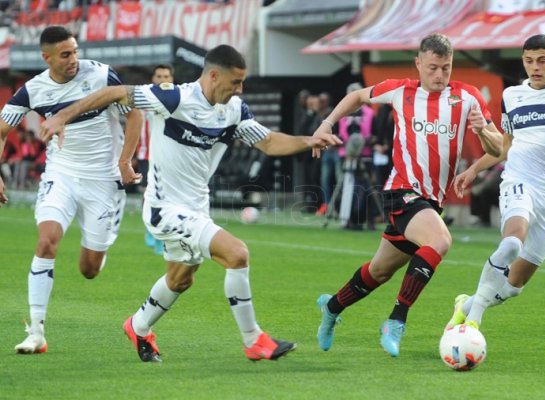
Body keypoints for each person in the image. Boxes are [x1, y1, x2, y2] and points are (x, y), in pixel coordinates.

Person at [40, 44, 341, 362]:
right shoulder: (174, 98)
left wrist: (308, 140)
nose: (239, 89)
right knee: (237, 254)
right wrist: (62, 115)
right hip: (164, 208)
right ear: (213, 75)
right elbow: (115, 92)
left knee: (180, 279)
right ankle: (254, 340)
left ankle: (138, 326)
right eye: (235, 82)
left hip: (197, 207)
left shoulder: (234, 109)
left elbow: (267, 141)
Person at [311, 33, 503, 357]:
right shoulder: (402, 91)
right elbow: (357, 96)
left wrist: (479, 143)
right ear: (418, 64)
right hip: (401, 191)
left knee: (379, 271)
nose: (440, 75)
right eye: (433, 68)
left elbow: (499, 149)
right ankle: (396, 320)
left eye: (446, 67)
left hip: (430, 203)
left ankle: (331, 308)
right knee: (440, 241)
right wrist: (326, 124)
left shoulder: (468, 97)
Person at [0, 26, 142, 354]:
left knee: (89, 269)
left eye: (75, 51)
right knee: (46, 241)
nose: (74, 59)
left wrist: (125, 160)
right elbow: (3, 129)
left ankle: (99, 250)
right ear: (46, 57)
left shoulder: (103, 75)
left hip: (104, 181)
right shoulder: (32, 90)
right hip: (60, 175)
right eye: (65, 54)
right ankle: (36, 333)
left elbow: (135, 112)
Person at [446, 34, 545, 332]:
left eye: (542, 60)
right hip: (519, 180)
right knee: (511, 243)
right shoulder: (512, 95)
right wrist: (475, 169)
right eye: (529, 61)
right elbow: (505, 146)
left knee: (514, 286)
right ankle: (473, 323)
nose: (535, 67)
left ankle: (464, 306)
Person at [138, 64, 175, 255]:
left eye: (166, 76)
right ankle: (150, 229)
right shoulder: (144, 97)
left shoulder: (178, 100)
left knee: (166, 195)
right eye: (159, 76)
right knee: (149, 193)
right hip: (146, 154)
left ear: (171, 80)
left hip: (168, 155)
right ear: (153, 78)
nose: (162, 80)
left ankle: (161, 232)